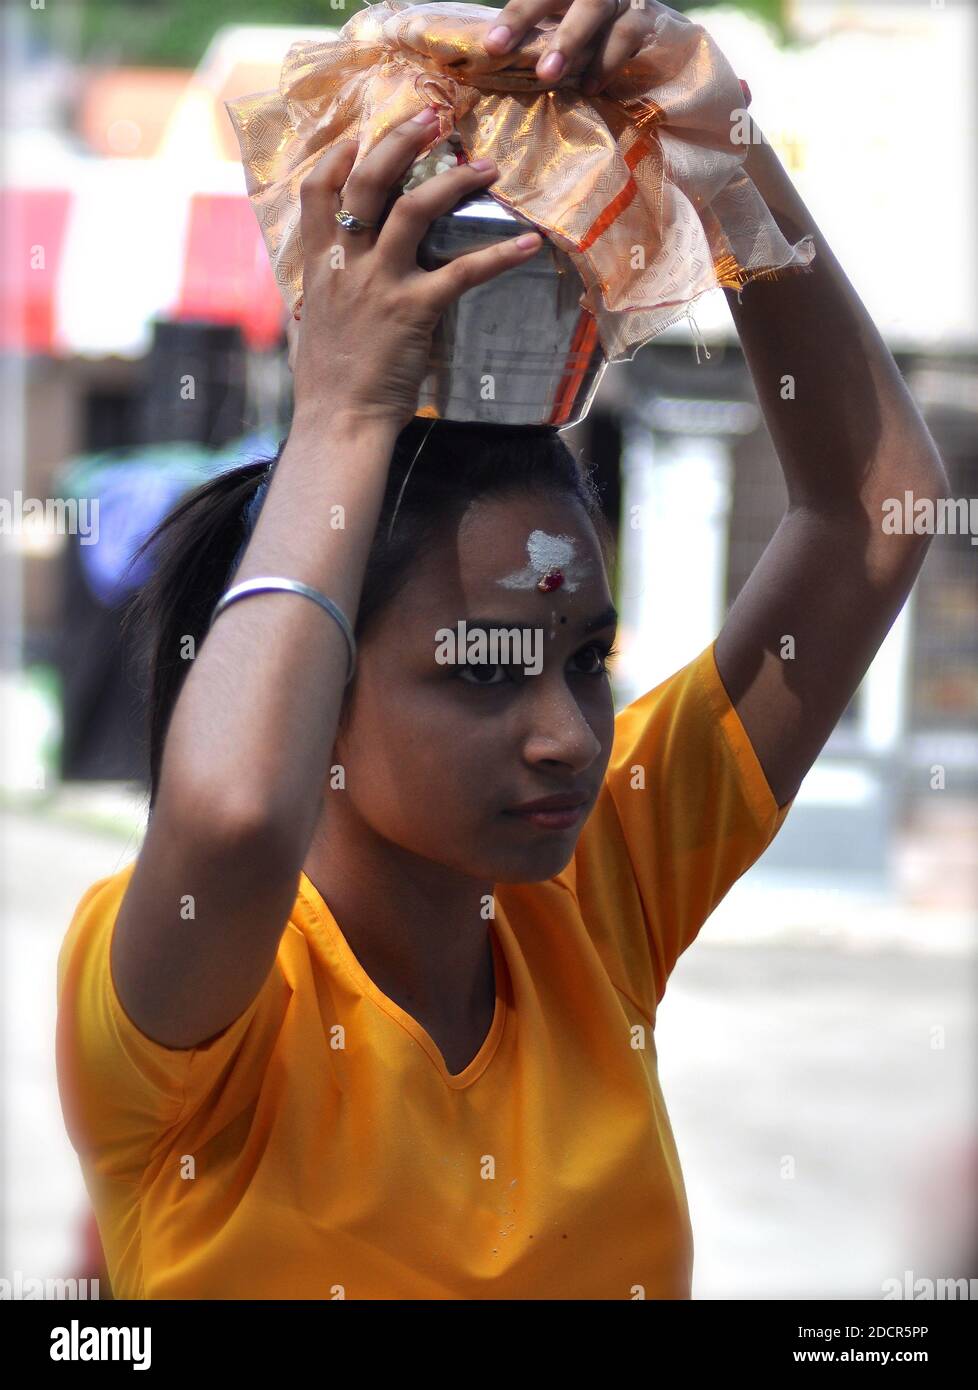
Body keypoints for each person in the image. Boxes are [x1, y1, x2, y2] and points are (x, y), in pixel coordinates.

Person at [56, 56, 947, 1295]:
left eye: (585, 660)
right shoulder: (196, 992)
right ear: (316, 697)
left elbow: (876, 514)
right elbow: (233, 813)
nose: (568, 736)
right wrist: (343, 415)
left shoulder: (595, 886)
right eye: (482, 670)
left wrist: (719, 147)